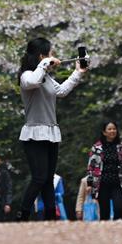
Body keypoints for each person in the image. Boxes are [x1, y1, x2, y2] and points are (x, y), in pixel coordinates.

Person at [16, 38, 87, 221]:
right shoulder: (27, 75)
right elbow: (32, 82)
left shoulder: (46, 77)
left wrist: (77, 73)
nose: (53, 56)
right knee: (39, 178)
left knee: (48, 180)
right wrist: (46, 63)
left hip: (51, 132)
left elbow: (61, 91)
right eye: (50, 53)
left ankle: (50, 217)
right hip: (33, 133)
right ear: (41, 56)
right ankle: (23, 215)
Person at [87, 121, 122, 221]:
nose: (112, 131)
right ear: (104, 132)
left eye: (114, 129)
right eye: (110, 129)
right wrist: (89, 184)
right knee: (104, 212)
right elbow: (91, 166)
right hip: (102, 183)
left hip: (118, 182)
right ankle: (105, 233)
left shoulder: (120, 147)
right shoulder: (97, 148)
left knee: (119, 208)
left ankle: (116, 228)